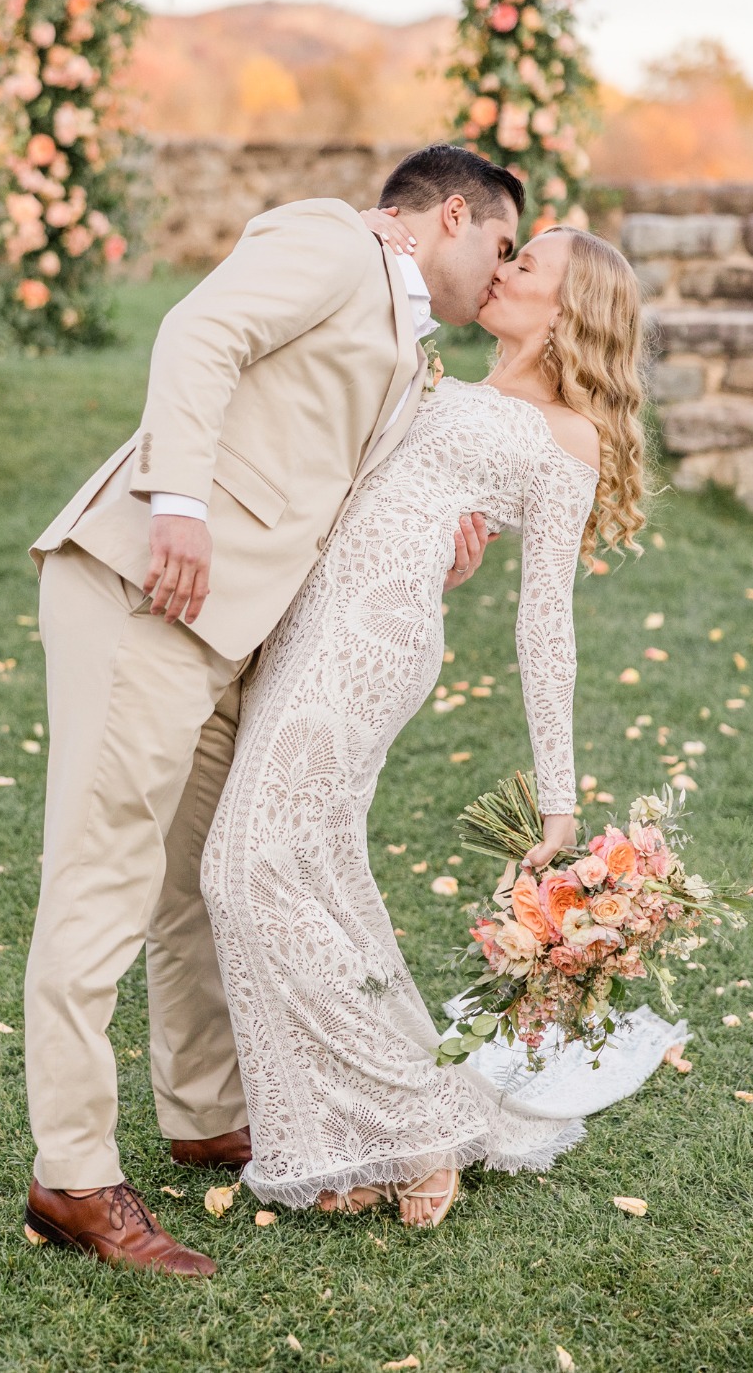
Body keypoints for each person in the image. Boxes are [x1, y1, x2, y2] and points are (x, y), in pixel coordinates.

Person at [21, 145, 524, 1275]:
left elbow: (322, 480)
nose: (503, 271)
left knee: (196, 880)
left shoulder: (410, 347)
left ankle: (202, 1110)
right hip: (144, 584)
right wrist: (179, 505)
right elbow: (200, 333)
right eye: (501, 245)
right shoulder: (332, 237)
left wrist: (428, 548)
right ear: (452, 213)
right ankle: (72, 1176)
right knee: (101, 872)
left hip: (229, 632)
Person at [201, 220, 649, 1229]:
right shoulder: (446, 377)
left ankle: (419, 1118)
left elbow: (548, 626)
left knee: (243, 865)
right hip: (306, 621)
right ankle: (350, 1134)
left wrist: (562, 799)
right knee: (308, 864)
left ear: (568, 308)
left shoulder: (565, 437)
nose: (502, 269)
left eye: (524, 264)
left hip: (371, 641)